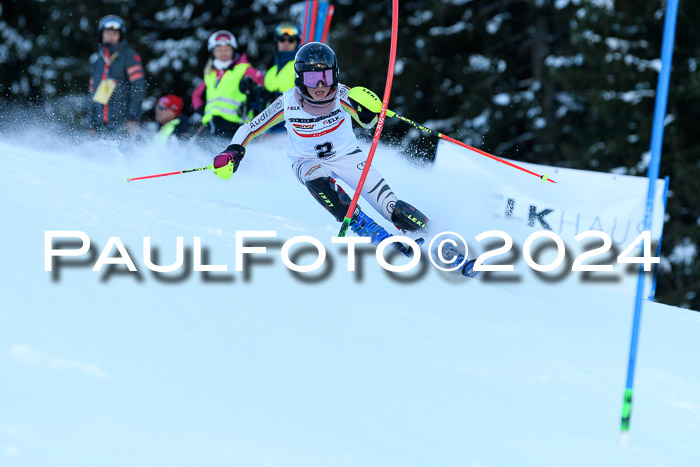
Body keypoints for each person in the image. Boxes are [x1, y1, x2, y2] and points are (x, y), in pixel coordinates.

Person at [209, 42, 429, 246]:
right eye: (312, 79)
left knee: (393, 207)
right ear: (299, 79)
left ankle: (430, 234)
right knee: (315, 177)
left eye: (326, 77)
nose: (321, 85)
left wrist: (371, 111)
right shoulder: (287, 102)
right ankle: (364, 226)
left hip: (348, 158)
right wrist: (234, 150)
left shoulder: (342, 95)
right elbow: (250, 127)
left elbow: (368, 123)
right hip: (305, 160)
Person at [191, 30, 265, 140]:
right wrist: (202, 110)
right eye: (219, 50)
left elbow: (264, 83)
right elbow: (196, 95)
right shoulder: (210, 73)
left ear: (233, 51)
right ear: (213, 52)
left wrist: (255, 97)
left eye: (227, 49)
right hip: (210, 123)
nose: (223, 53)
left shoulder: (243, 69)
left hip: (236, 125)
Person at [87, 15, 145, 137]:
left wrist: (132, 117)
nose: (110, 36)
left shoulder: (130, 56)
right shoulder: (97, 61)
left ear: (120, 36)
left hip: (123, 122)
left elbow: (138, 87)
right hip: (100, 124)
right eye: (107, 33)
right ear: (101, 34)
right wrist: (91, 125)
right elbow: (92, 94)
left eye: (114, 33)